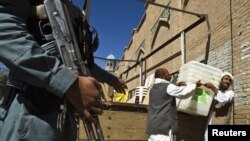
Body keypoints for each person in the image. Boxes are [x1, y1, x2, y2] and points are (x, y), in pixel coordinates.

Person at [0, 1, 126, 141]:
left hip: (64, 113)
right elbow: (5, 28)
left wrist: (113, 80)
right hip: (32, 112)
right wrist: (68, 82)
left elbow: (84, 63)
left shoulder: (73, 11)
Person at [146, 68, 201, 141]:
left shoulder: (153, 89)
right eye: (168, 74)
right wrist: (194, 85)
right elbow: (183, 93)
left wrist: (177, 86)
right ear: (163, 76)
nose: (170, 76)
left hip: (153, 127)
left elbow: (167, 94)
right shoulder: (167, 86)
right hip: (164, 127)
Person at [203, 72, 234, 140]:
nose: (228, 81)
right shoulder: (215, 93)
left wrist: (212, 87)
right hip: (209, 124)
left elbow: (223, 99)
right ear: (221, 80)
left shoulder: (230, 93)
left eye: (229, 80)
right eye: (226, 79)